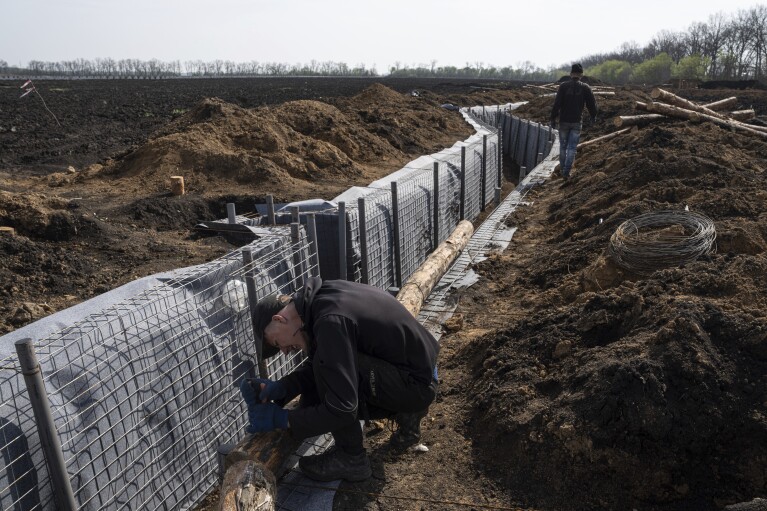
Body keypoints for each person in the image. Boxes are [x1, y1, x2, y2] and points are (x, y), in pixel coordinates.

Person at [239, 276, 439, 482]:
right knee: (327, 369)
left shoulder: (329, 321)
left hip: (416, 384)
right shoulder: (323, 298)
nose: (284, 351)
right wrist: (284, 387)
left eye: (276, 342)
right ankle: (408, 412)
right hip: (421, 372)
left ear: (279, 320)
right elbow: (328, 356)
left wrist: (282, 419)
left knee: (330, 381)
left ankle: (351, 459)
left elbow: (342, 409)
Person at [550, 63, 598, 180]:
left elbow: (557, 104)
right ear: (581, 75)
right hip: (577, 122)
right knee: (572, 148)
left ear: (571, 74)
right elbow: (592, 104)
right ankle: (566, 172)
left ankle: (562, 170)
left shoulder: (563, 86)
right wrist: (593, 116)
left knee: (563, 147)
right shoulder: (585, 88)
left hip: (564, 121)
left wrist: (553, 118)